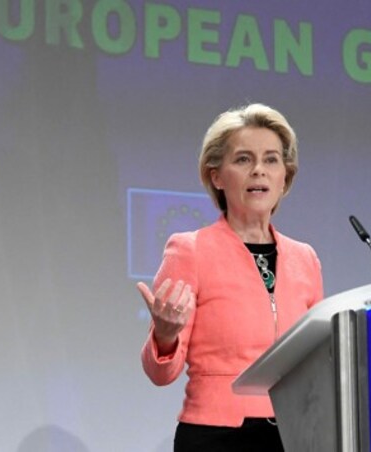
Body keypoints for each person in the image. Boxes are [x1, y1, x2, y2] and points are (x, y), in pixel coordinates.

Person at [137, 103, 324, 452]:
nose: (259, 171)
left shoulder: (306, 259)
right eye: (243, 159)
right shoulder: (190, 250)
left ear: (285, 177)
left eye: (271, 160)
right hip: (217, 436)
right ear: (217, 177)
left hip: (297, 435)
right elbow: (160, 373)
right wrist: (164, 336)